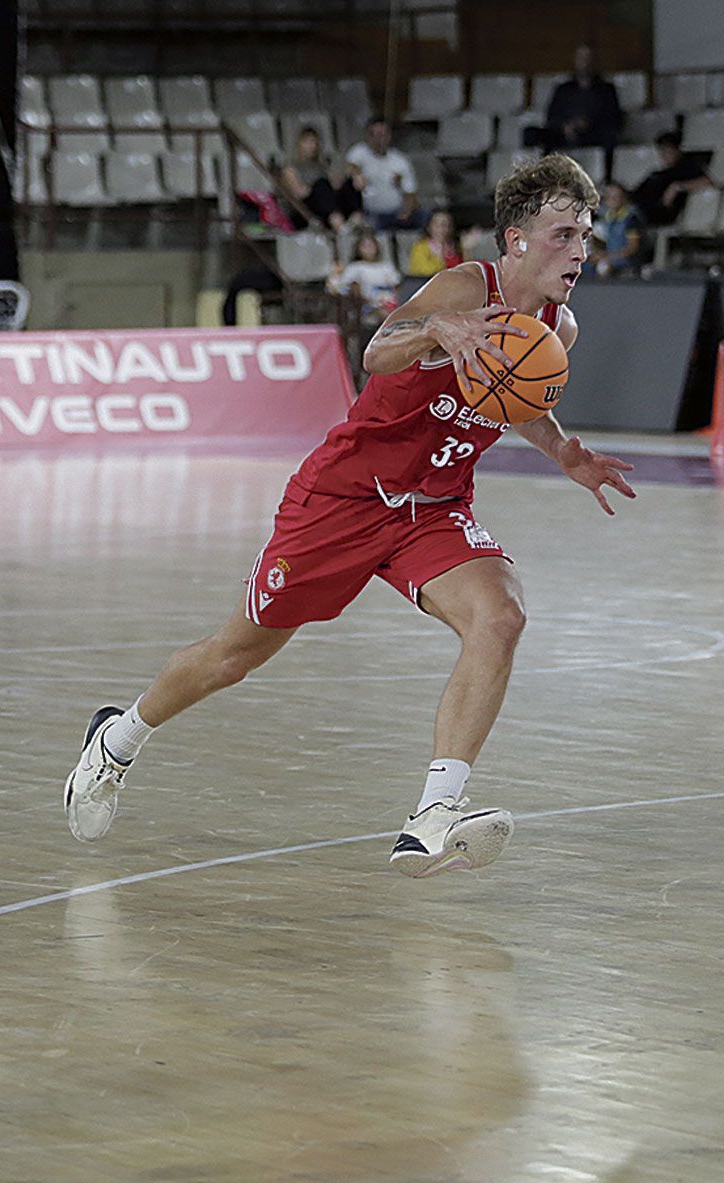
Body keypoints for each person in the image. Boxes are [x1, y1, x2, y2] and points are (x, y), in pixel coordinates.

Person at [61, 155, 636, 877]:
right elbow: (377, 350)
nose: (580, 251)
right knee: (235, 656)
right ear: (516, 239)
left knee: (501, 614)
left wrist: (563, 453)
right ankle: (118, 739)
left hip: (432, 508)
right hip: (344, 499)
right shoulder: (463, 285)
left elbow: (515, 398)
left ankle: (433, 817)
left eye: (585, 235)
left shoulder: (561, 327)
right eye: (563, 234)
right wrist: (439, 332)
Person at [280, 125, 363, 231]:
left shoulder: (322, 166)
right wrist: (317, 188)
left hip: (323, 209)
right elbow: (299, 193)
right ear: (300, 144)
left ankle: (355, 219)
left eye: (314, 142)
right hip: (302, 211)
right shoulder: (290, 168)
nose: (311, 146)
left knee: (349, 183)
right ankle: (338, 223)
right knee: (321, 185)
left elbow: (333, 186)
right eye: (307, 142)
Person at [542, 43, 623, 151]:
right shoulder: (563, 89)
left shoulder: (607, 90)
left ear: (595, 62)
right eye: (581, 58)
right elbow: (552, 117)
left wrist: (588, 124)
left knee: (610, 138)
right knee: (532, 134)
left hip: (594, 135)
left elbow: (614, 119)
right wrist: (566, 126)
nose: (585, 63)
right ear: (575, 60)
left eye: (589, 58)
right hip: (565, 134)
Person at [346, 119, 422, 230]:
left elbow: (410, 191)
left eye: (383, 134)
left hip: (397, 212)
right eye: (375, 135)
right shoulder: (360, 151)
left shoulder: (400, 160)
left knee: (425, 217)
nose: (379, 139)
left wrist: (407, 211)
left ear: (389, 136)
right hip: (372, 213)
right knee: (373, 225)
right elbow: (350, 166)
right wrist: (357, 175)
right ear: (369, 137)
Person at [633, 131, 710, 226]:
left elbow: (707, 182)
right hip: (639, 208)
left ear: (677, 150)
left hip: (661, 213)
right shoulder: (657, 174)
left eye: (668, 151)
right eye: (662, 151)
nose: (665, 155)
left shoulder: (688, 168)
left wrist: (678, 187)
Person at [328, 232, 404, 324]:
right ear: (358, 249)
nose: (369, 249)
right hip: (366, 305)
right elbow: (342, 287)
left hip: (387, 302)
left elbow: (395, 286)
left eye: (371, 246)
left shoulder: (386, 266)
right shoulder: (355, 267)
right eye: (365, 246)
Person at [590, 180, 644, 275]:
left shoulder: (630, 219)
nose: (612, 200)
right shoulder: (607, 217)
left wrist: (608, 256)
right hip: (611, 256)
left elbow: (633, 248)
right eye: (609, 197)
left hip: (626, 260)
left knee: (603, 268)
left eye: (616, 197)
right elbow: (604, 241)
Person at [407, 210, 464, 277]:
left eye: (446, 225)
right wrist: (441, 255)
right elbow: (424, 272)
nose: (441, 229)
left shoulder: (457, 247)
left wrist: (467, 250)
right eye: (437, 225)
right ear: (429, 227)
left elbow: (466, 270)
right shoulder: (420, 248)